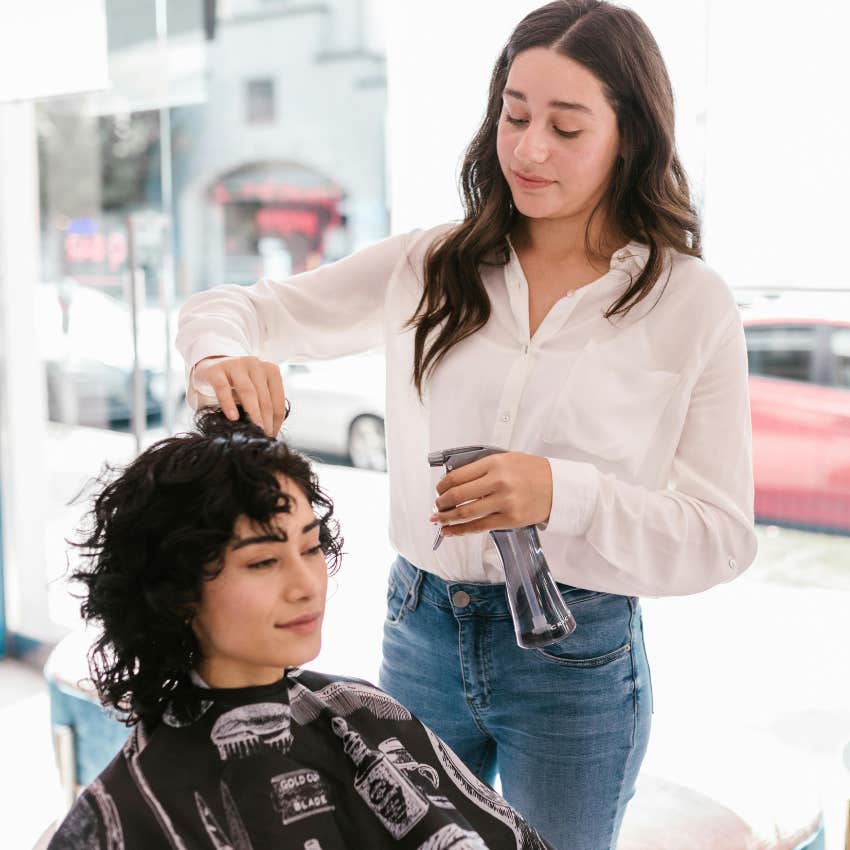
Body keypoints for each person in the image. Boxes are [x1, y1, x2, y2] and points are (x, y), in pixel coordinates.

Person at [175, 2, 758, 847]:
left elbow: (722, 536)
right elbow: (234, 309)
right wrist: (217, 359)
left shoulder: (687, 303)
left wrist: (563, 493)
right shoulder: (429, 265)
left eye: (565, 127)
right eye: (513, 116)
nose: (527, 150)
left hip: (575, 658)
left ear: (629, 137)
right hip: (420, 630)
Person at [47, 410, 553, 850]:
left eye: (311, 549)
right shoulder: (129, 809)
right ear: (175, 590)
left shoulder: (361, 712)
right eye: (264, 561)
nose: (305, 585)